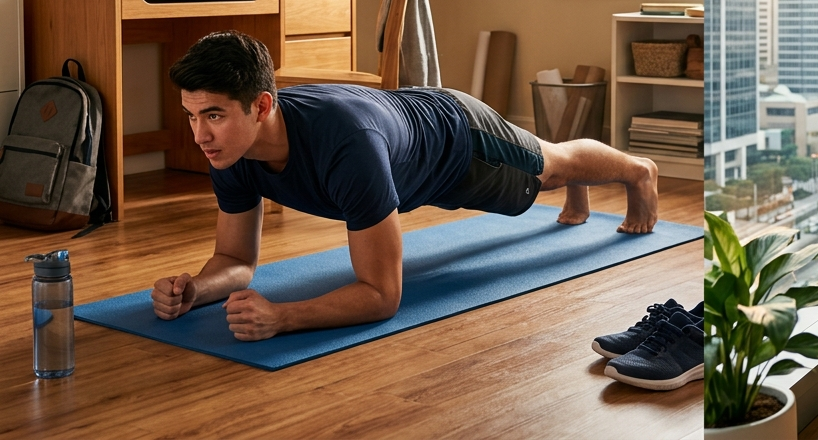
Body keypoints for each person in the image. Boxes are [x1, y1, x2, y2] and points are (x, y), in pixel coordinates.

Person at [150, 31, 658, 341]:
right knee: (549, 173)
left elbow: (382, 294)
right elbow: (237, 262)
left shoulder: (346, 148)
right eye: (191, 116)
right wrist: (198, 289)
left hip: (458, 139)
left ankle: (638, 171)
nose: (200, 135)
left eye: (212, 115)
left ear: (261, 106)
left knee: (551, 165)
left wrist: (283, 317)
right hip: (403, 136)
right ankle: (577, 187)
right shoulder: (229, 147)